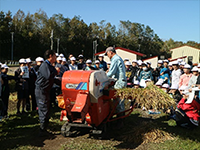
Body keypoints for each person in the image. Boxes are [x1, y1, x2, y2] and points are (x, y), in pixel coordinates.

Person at [35, 50, 60, 136]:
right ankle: (42, 131)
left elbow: (54, 78)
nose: (56, 58)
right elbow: (49, 76)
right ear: (50, 56)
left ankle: (45, 128)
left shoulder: (50, 66)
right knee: (44, 109)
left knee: (47, 108)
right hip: (41, 90)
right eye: (55, 56)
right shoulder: (44, 65)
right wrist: (56, 72)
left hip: (46, 90)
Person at [105, 46, 127, 129]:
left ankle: (120, 122)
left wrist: (102, 75)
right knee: (118, 100)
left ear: (110, 52)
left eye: (107, 54)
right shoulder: (118, 58)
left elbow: (111, 72)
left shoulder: (115, 59)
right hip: (120, 81)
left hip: (120, 82)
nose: (107, 56)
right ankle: (119, 119)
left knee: (118, 100)